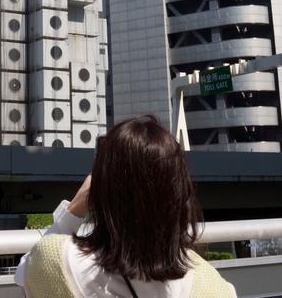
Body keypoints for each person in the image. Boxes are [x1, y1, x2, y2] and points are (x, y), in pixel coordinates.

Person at [15, 115, 236, 298]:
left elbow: (26, 270)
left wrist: (73, 211)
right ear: (179, 195)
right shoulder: (214, 288)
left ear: (103, 191)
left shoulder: (57, 263)